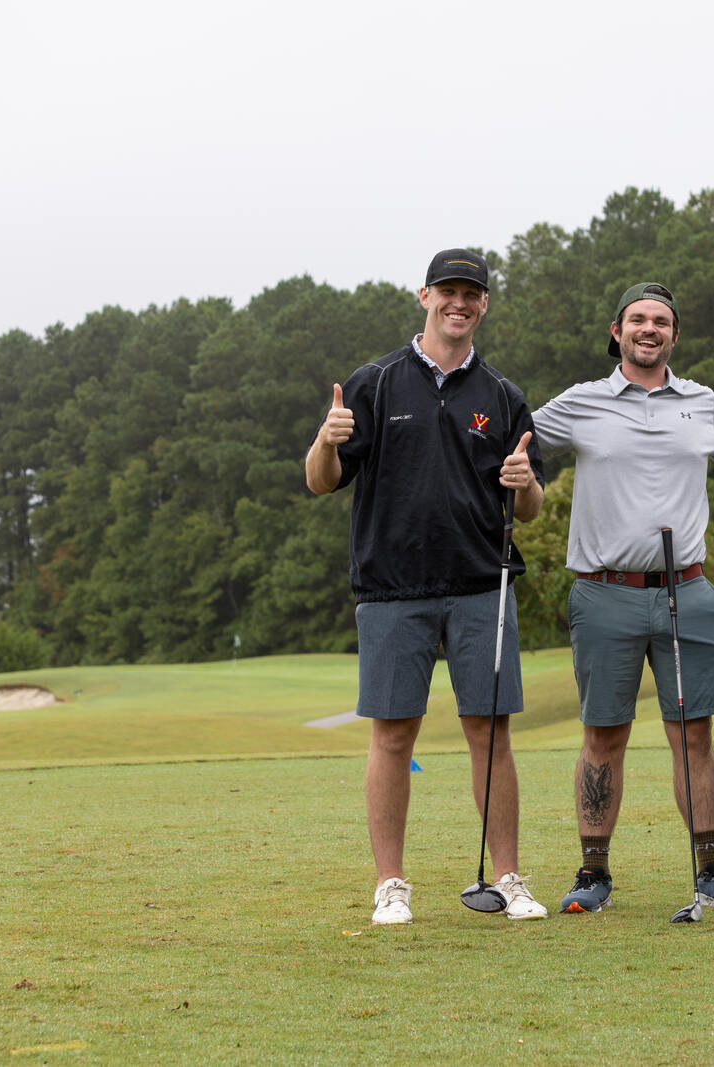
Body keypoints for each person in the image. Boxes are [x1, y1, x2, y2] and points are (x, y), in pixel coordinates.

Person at [305, 248, 549, 925]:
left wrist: (526, 486)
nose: (458, 303)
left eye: (471, 293)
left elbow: (528, 509)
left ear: (484, 304)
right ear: (425, 296)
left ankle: (508, 878)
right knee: (392, 737)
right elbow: (321, 481)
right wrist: (326, 441)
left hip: (481, 584)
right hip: (393, 587)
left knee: (491, 735)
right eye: (448, 291)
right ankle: (390, 884)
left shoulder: (502, 395)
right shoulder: (376, 382)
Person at [532, 281, 714, 914]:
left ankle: (712, 871)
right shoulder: (581, 402)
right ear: (617, 331)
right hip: (604, 592)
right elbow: (513, 440)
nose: (650, 329)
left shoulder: (700, 401)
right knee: (603, 737)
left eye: (662, 321)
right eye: (638, 319)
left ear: (674, 334)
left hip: (687, 591)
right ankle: (593, 873)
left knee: (694, 735)